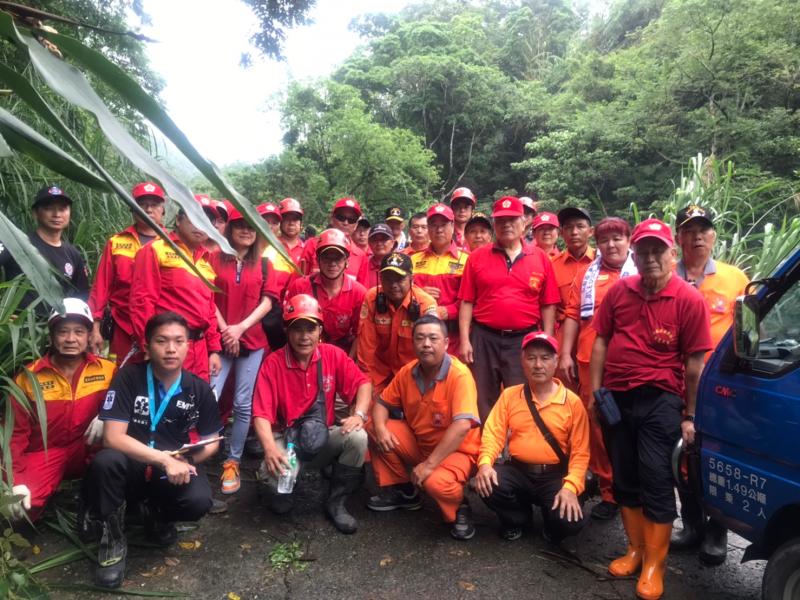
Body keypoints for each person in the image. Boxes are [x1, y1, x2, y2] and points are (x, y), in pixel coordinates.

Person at [590, 218, 711, 600]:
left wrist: (689, 414)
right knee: (623, 473)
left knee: (655, 476)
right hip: (616, 396)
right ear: (634, 255)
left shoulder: (688, 299)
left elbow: (694, 363)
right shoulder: (620, 292)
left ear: (671, 253)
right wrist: (596, 392)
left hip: (661, 399)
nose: (650, 258)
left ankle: (655, 565)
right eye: (643, 251)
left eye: (657, 250)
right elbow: (601, 342)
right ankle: (635, 550)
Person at [82, 312, 222, 589]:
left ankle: (157, 515)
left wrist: (188, 459)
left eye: (178, 341)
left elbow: (213, 440)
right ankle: (112, 540)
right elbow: (112, 437)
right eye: (162, 341)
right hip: (133, 464)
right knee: (106, 462)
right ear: (147, 345)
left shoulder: (199, 389)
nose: (171, 349)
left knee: (198, 500)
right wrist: (162, 459)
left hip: (172, 470)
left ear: (188, 346)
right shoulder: (128, 378)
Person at [670, 205, 750, 565]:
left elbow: (750, 334)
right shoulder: (667, 276)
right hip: (673, 383)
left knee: (716, 457)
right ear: (678, 238)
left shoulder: (736, 279)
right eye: (689, 230)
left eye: (704, 229)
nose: (697, 236)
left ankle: (717, 529)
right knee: (680, 456)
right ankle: (691, 525)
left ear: (714, 236)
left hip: (720, 390)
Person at [251, 295, 372, 534]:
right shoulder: (273, 363)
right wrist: (269, 448)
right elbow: (261, 414)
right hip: (286, 440)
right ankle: (278, 485)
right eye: (297, 329)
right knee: (276, 485)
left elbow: (363, 384)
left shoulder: (332, 355)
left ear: (320, 331)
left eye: (310, 328)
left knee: (358, 437)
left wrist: (359, 414)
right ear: (286, 330)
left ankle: (336, 502)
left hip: (320, 436)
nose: (304, 336)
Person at [369, 315, 481, 540]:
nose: (426, 344)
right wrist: (380, 428)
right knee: (372, 426)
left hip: (458, 451)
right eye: (420, 338)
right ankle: (404, 490)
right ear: (413, 342)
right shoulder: (408, 372)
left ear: (447, 343)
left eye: (433, 338)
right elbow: (382, 403)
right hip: (421, 444)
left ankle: (460, 505)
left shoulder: (459, 375)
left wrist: (428, 466)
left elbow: (461, 426)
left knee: (435, 482)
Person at [7, 299, 116, 522]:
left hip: (89, 450)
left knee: (124, 463)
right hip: (46, 454)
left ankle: (98, 504)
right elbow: (14, 434)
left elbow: (129, 404)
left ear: (88, 336)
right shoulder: (28, 377)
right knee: (21, 508)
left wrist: (108, 415)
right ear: (51, 336)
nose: (70, 339)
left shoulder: (108, 371)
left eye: (78, 331)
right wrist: (14, 479)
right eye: (62, 331)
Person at [474, 332, 589, 543]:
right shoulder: (510, 395)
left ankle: (552, 523)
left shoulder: (572, 402)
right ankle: (518, 519)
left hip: (554, 475)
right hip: (518, 471)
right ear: (522, 361)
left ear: (556, 362)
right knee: (488, 483)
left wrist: (571, 487)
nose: (538, 365)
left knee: (570, 523)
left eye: (545, 358)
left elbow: (581, 453)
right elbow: (493, 433)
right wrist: (485, 464)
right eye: (531, 358)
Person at [559, 217, 637, 521]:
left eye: (617, 238)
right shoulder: (587, 275)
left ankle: (633, 488)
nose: (611, 245)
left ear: (629, 240)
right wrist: (565, 352)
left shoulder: (642, 272)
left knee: (632, 426)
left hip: (632, 365)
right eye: (605, 240)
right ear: (598, 244)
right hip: (590, 363)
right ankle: (609, 491)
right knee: (598, 427)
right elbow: (572, 315)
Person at [458, 196, 560, 422]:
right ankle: (488, 450)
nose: (506, 225)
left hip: (523, 340)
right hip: (484, 338)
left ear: (524, 223)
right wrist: (465, 340)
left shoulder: (540, 258)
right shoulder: (477, 257)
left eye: (512, 219)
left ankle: (518, 450)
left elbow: (548, 303)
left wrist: (548, 339)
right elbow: (466, 301)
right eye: (500, 220)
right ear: (494, 225)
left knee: (522, 396)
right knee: (483, 396)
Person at [209, 207, 277, 494]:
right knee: (209, 396)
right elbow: (206, 296)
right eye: (240, 225)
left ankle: (233, 460)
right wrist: (226, 330)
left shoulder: (263, 264)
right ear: (229, 229)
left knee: (242, 403)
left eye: (252, 227)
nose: (246, 231)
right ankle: (198, 455)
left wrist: (240, 328)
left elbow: (268, 301)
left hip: (252, 341)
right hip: (219, 339)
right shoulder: (213, 258)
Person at [129, 197, 222, 381]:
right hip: (169, 348)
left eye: (205, 222)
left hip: (200, 350)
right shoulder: (155, 250)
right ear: (178, 220)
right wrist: (147, 344)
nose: (199, 226)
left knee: (195, 403)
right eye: (194, 218)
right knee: (164, 403)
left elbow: (209, 310)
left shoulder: (206, 262)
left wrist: (214, 350)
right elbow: (142, 301)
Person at [89, 182, 166, 362]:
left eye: (154, 204)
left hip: (162, 327)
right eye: (142, 204)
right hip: (123, 326)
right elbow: (101, 286)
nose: (148, 209)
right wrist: (94, 328)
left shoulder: (174, 245)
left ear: (163, 210)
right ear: (132, 209)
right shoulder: (116, 242)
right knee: (121, 375)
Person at [357, 252, 437, 393]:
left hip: (414, 375)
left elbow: (431, 353)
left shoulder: (426, 304)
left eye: (399, 279)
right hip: (379, 373)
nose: (393, 285)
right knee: (366, 409)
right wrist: (366, 385)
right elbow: (366, 350)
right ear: (380, 279)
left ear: (412, 279)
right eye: (388, 279)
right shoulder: (371, 298)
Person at [0, 185, 90, 310]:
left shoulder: (73, 254)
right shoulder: (16, 243)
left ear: (70, 213)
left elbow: (82, 296)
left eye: (63, 209)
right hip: (20, 324)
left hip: (57, 325)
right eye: (49, 208)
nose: (56, 214)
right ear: (35, 213)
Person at [285, 229, 367, 355]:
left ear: (347, 262)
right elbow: (289, 326)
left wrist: (347, 363)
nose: (332, 264)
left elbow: (359, 334)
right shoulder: (300, 286)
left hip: (341, 353)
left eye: (338, 258)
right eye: (327, 258)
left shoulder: (358, 293)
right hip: (305, 352)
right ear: (318, 260)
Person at [411, 204, 469, 354]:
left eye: (443, 225)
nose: (439, 229)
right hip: (420, 334)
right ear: (428, 228)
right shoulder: (413, 260)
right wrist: (419, 293)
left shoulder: (467, 260)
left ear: (452, 225)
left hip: (454, 335)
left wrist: (448, 311)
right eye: (433, 225)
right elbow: (403, 294)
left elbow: (471, 299)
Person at [551, 207, 595, 352]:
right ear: (561, 233)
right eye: (569, 227)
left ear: (591, 231)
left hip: (594, 333)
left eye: (580, 226)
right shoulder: (552, 265)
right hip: (562, 336)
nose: (574, 232)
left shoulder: (600, 261)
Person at [300, 198, 369, 282]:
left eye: (351, 220)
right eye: (341, 217)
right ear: (332, 218)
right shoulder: (313, 244)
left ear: (356, 224)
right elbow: (300, 280)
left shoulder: (361, 256)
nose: (345, 223)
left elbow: (362, 291)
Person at [361, 223, 397, 289]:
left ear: (392, 243)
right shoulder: (363, 265)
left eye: (384, 239)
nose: (379, 243)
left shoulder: (401, 264)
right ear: (369, 243)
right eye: (374, 240)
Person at [278, 198, 305, 266]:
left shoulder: (306, 250)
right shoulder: (271, 246)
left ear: (301, 223)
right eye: (287, 218)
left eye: (295, 219)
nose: (291, 223)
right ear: (280, 222)